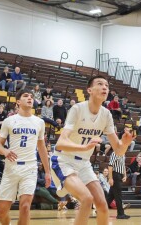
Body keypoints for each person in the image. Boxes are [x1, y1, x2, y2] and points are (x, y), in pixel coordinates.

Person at [51, 76, 133, 225]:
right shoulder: (77, 109)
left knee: (102, 206)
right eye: (100, 84)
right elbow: (60, 143)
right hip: (64, 161)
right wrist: (85, 147)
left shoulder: (107, 114)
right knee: (87, 199)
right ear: (89, 90)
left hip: (84, 164)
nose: (105, 88)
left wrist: (125, 143)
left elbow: (118, 150)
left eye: (107, 85)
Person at [0, 89, 51, 225]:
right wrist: (5, 151)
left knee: (25, 207)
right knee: (1, 212)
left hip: (30, 168)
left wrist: (48, 171)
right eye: (26, 96)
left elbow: (42, 147)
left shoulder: (39, 122)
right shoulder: (9, 121)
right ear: (18, 102)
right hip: (11, 168)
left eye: (31, 96)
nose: (30, 98)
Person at [107, 151, 130, 219]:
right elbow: (110, 166)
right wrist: (110, 178)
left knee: (110, 196)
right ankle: (120, 214)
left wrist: (125, 175)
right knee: (118, 195)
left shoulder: (123, 153)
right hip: (115, 175)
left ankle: (100, 210)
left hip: (119, 175)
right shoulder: (115, 153)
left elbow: (123, 165)